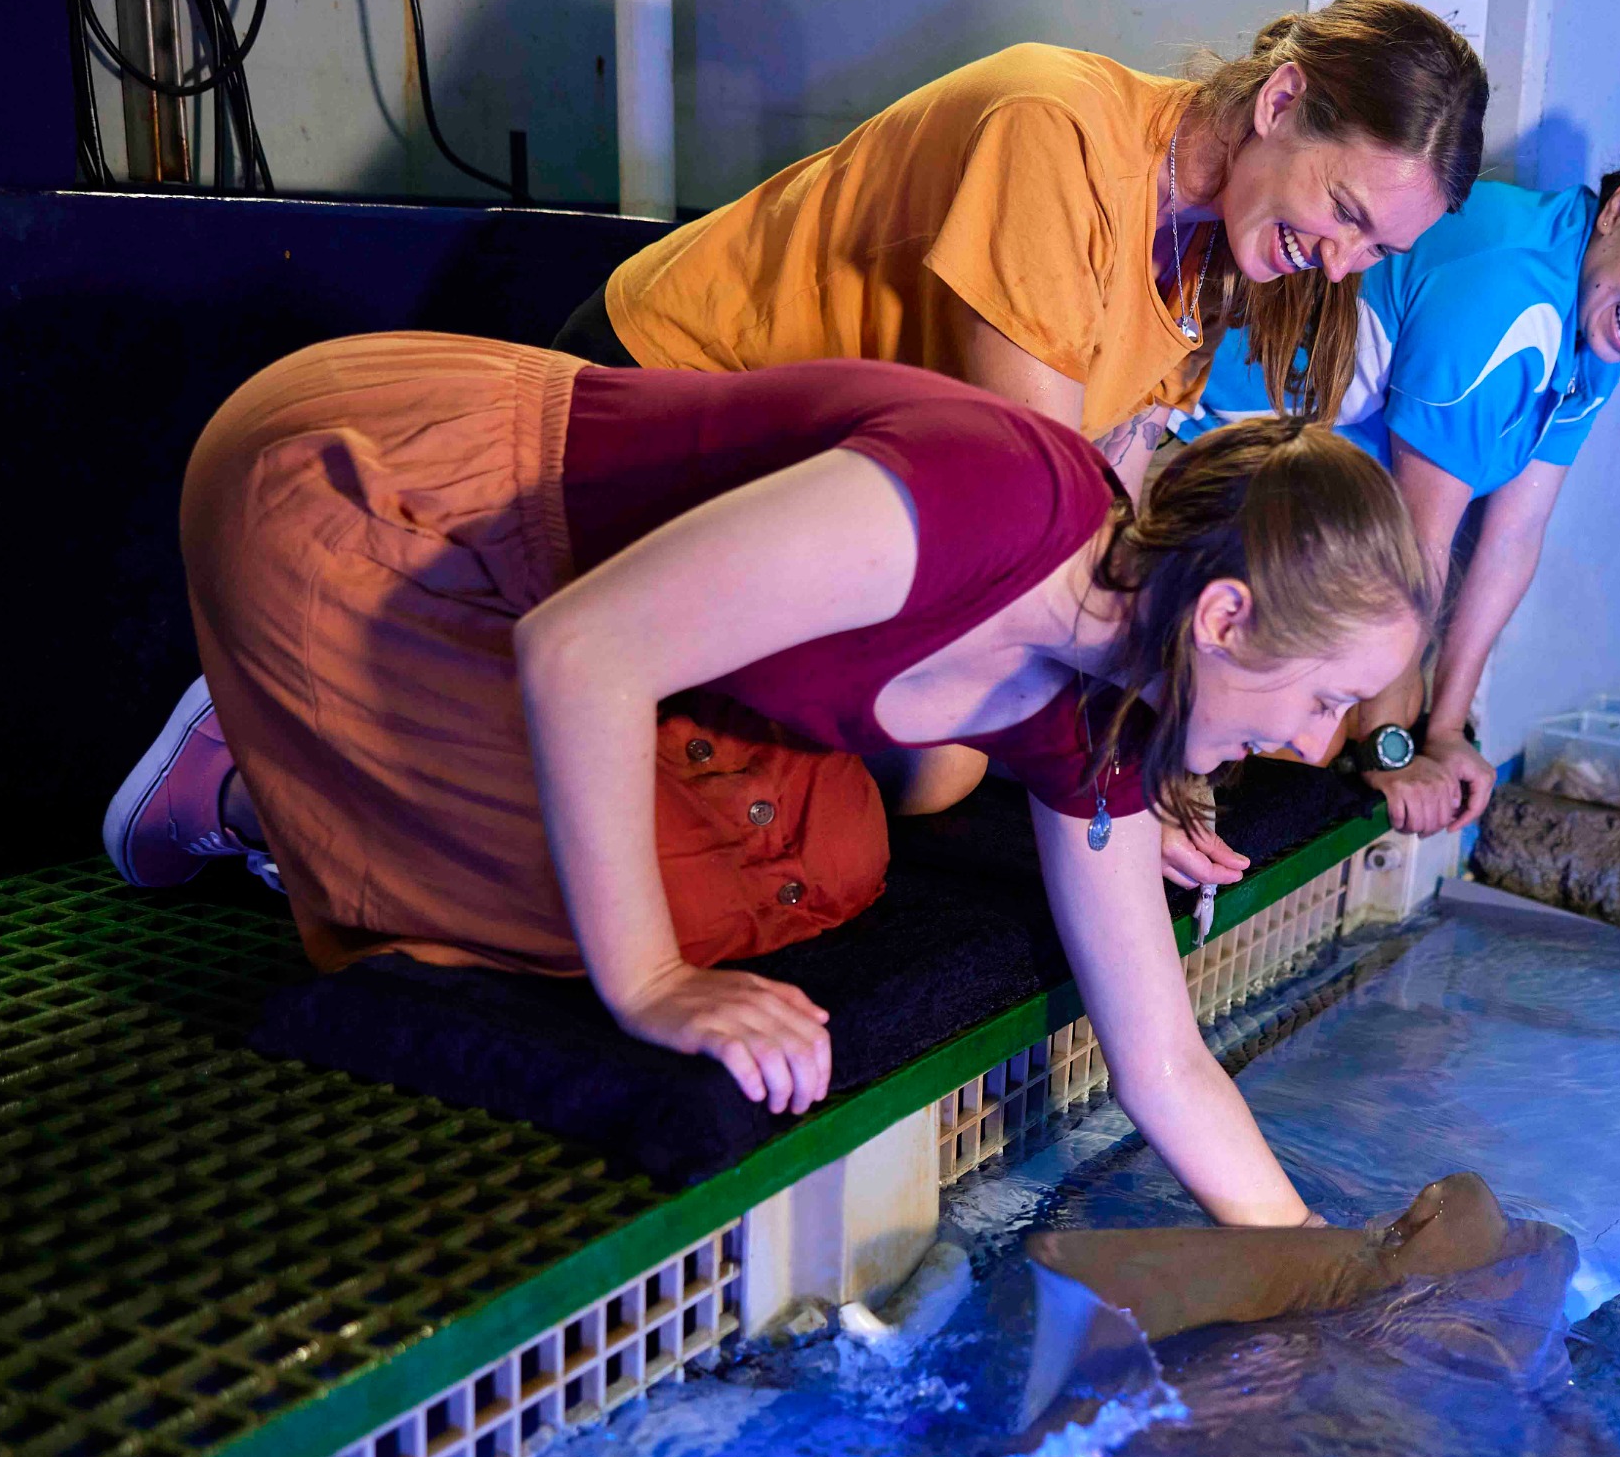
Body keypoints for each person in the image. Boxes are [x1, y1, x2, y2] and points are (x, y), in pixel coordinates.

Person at [103, 333, 1434, 1225]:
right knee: (658, 924)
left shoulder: (1097, 711)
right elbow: (581, 647)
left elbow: (1162, 1060)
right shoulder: (995, 503)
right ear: (1221, 620)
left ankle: (356, 755)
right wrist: (650, 987)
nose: (1320, 748)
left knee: (829, 871)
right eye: (1322, 699)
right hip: (380, 492)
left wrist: (1302, 1269)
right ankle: (252, 773)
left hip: (587, 604)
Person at [555, 0, 1486, 876]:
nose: (1338, 264)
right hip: (663, 395)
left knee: (954, 758)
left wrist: (1157, 731)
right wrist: (1130, 766)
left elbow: (1115, 507)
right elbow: (1048, 528)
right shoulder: (1054, 130)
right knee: (938, 768)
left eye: (1375, 252)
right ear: (1281, 102)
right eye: (1345, 214)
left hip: (842, 480)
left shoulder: (1209, 251)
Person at [1177, 135, 1620, 837]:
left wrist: (1445, 730)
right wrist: (1390, 743)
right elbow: (1417, 544)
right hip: (1204, 455)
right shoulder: (1510, 293)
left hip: (1306, 486)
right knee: (1305, 753)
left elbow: (1514, 537)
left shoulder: (1599, 311)